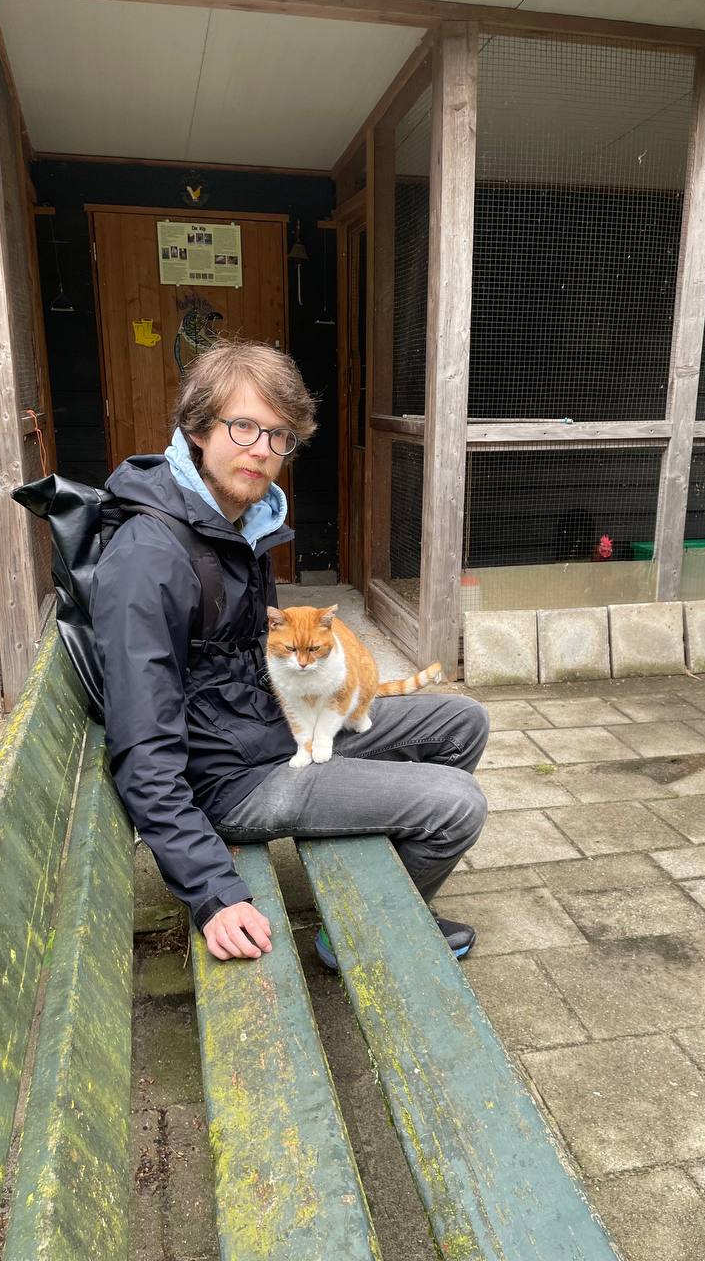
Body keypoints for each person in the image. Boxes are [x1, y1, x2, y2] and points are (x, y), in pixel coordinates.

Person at [91, 339, 489, 963]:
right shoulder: (150, 559)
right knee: (457, 805)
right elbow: (142, 747)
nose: (262, 450)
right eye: (243, 426)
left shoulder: (237, 525)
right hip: (230, 782)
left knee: (462, 722)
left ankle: (385, 896)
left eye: (279, 436)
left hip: (273, 732)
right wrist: (212, 891)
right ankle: (365, 936)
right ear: (198, 428)